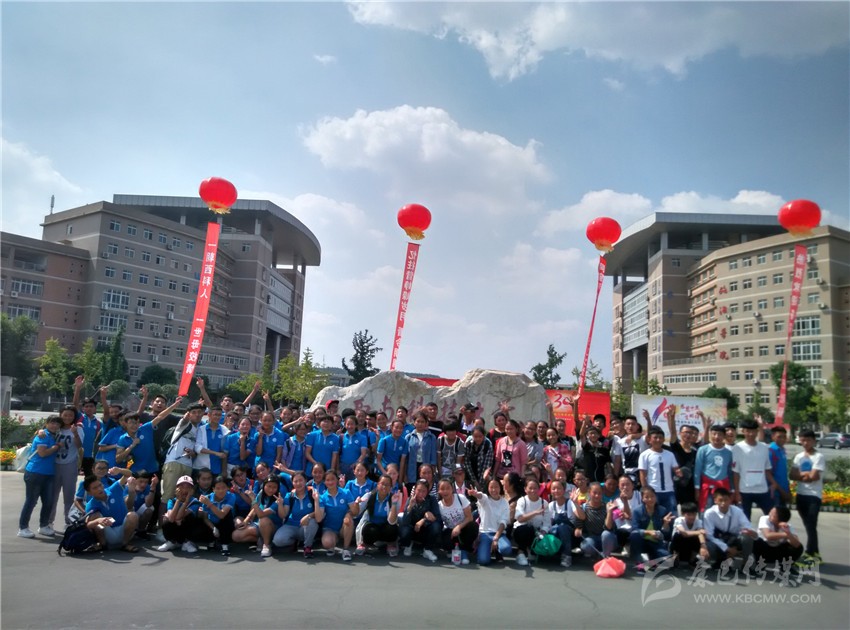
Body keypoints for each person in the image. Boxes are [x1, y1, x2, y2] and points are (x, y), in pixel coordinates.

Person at [18, 415, 63, 538]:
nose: (55, 425)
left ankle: (43, 526)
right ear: (46, 424)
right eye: (52, 423)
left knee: (48, 501)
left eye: (57, 424)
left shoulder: (53, 435)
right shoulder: (42, 436)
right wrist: (57, 447)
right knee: (31, 501)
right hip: (35, 472)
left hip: (49, 474)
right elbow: (42, 453)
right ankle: (23, 528)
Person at [83, 469, 140, 552]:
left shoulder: (113, 489)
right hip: (108, 533)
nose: (99, 489)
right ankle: (103, 545)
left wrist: (119, 470)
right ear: (89, 493)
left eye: (100, 485)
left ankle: (125, 544)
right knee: (96, 517)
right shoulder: (90, 505)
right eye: (95, 488)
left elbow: (129, 474)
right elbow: (87, 525)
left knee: (133, 515)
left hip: (123, 530)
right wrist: (98, 521)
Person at [790, 429, 825, 564]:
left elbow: (814, 477)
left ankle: (810, 553)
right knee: (808, 525)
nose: (805, 443)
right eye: (802, 440)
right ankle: (816, 555)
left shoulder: (818, 456)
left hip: (813, 496)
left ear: (814, 441)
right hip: (801, 494)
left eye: (808, 440)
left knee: (811, 525)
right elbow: (792, 475)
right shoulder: (799, 456)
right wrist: (806, 475)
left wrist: (802, 475)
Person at [732, 419, 775, 520]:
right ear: (743, 431)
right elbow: (736, 472)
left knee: (772, 517)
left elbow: (767, 469)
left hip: (762, 489)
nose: (750, 434)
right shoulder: (738, 448)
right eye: (748, 431)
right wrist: (737, 492)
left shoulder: (764, 447)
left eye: (753, 431)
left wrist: (773, 483)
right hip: (744, 490)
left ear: (757, 431)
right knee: (745, 520)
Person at [49, 405, 84, 530]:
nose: (68, 417)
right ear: (60, 415)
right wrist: (40, 432)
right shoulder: (56, 428)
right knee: (52, 495)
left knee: (69, 496)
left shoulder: (78, 429)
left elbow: (79, 445)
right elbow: (43, 435)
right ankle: (49, 522)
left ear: (74, 417)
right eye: (65, 415)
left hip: (69, 465)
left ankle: (68, 521)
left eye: (71, 415)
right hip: (54, 465)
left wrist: (75, 433)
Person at [703, 487, 756, 568]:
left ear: (730, 500)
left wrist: (751, 533)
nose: (723, 503)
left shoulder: (737, 511)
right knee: (709, 546)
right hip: (719, 540)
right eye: (720, 500)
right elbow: (709, 535)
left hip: (735, 539)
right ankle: (722, 560)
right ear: (715, 500)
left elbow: (747, 527)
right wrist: (726, 548)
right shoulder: (709, 513)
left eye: (726, 500)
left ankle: (745, 564)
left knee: (747, 537)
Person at [269, 472, 319, 558]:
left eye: (301, 480)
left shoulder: (313, 493)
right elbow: (283, 515)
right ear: (292, 483)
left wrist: (308, 516)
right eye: (295, 481)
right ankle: (294, 542)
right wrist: (280, 504)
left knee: (312, 522)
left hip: (305, 526)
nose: (298, 483)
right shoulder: (289, 496)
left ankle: (307, 547)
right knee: (278, 541)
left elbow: (320, 512)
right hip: (291, 525)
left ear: (305, 481)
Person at [629, 487, 674, 575]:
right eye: (647, 497)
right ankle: (640, 562)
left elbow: (666, 535)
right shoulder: (637, 511)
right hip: (642, 542)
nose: (650, 499)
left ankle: (651, 561)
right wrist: (648, 532)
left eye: (652, 496)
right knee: (635, 534)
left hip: (656, 542)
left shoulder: (662, 510)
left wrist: (665, 524)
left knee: (668, 561)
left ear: (656, 497)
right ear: (642, 499)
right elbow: (635, 529)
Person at [315, 469, 358, 561]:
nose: (330, 482)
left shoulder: (346, 492)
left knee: (349, 521)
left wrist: (349, 513)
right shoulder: (322, 498)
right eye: (327, 480)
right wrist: (316, 501)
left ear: (337, 480)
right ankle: (333, 543)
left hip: (344, 527)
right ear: (324, 482)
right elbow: (318, 519)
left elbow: (354, 512)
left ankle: (345, 549)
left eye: (333, 479)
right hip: (330, 528)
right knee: (327, 543)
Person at [638, 426, 681, 516]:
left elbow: (676, 468)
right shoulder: (644, 455)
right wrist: (645, 489)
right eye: (655, 437)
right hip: (653, 491)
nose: (658, 440)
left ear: (663, 439)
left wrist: (679, 472)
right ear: (649, 439)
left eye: (660, 438)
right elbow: (642, 474)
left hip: (669, 491)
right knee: (654, 516)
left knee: (671, 515)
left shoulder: (670, 454)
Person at [356, 475, 402, 556]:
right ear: (378, 484)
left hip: (386, 526)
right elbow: (356, 512)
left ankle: (390, 544)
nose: (384, 487)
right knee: (369, 530)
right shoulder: (369, 496)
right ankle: (364, 544)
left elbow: (392, 521)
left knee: (392, 528)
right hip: (372, 525)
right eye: (382, 484)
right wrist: (357, 503)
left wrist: (394, 504)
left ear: (391, 487)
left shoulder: (394, 498)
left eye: (387, 485)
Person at [156, 475, 204, 554]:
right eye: (182, 487)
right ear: (177, 489)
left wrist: (186, 501)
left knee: (189, 517)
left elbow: (179, 517)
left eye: (188, 487)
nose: (184, 490)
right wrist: (178, 500)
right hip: (175, 525)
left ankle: (186, 542)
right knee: (166, 520)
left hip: (187, 529)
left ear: (192, 490)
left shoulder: (195, 502)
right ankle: (171, 541)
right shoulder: (172, 500)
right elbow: (171, 518)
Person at [694, 424, 734, 512]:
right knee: (706, 511)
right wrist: (697, 488)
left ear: (724, 436)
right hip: (707, 486)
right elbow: (697, 470)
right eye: (714, 434)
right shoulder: (703, 450)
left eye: (719, 434)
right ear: (710, 435)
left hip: (723, 487)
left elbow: (729, 471)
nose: (716, 437)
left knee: (723, 511)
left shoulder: (728, 453)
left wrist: (732, 489)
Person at [437, 477, 478, 565]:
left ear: (452, 489)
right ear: (439, 491)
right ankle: (453, 549)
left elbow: (470, 517)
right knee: (444, 539)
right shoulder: (439, 506)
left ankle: (464, 551)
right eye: (442, 489)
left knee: (473, 526)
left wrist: (459, 527)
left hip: (464, 528)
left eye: (448, 488)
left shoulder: (460, 498)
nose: (445, 491)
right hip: (451, 531)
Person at [399, 479, 442, 562]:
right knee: (403, 528)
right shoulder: (410, 499)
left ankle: (427, 549)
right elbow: (405, 521)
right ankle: (408, 544)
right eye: (419, 490)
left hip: (425, 529)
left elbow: (437, 517)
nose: (421, 494)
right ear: (415, 490)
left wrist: (423, 520)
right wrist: (410, 507)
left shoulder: (432, 499)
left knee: (436, 526)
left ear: (428, 491)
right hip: (412, 529)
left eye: (424, 491)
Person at [512, 478, 552, 567]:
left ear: (539, 489)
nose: (533, 490)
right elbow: (520, 518)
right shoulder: (522, 500)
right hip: (521, 531)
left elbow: (547, 522)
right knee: (527, 529)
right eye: (530, 488)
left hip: (537, 532)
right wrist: (535, 513)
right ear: (525, 489)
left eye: (535, 488)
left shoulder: (544, 503)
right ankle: (520, 553)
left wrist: (543, 532)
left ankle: (531, 551)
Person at [666, 406, 700, 507]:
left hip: (690, 486)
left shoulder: (695, 451)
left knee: (690, 511)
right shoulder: (676, 447)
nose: (688, 435)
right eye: (685, 432)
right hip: (676, 485)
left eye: (690, 433)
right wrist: (672, 417)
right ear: (680, 434)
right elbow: (673, 433)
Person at [572, 482, 617, 559]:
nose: (597, 495)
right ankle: (598, 554)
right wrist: (578, 530)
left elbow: (608, 527)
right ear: (589, 492)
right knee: (586, 546)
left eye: (599, 493)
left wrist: (609, 512)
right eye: (594, 493)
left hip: (607, 539)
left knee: (606, 534)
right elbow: (579, 524)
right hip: (591, 538)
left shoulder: (607, 506)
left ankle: (605, 556)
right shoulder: (584, 507)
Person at [198, 475, 236, 556]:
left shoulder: (231, 496)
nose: (221, 491)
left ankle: (225, 545)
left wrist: (209, 504)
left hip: (225, 523)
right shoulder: (207, 498)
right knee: (201, 522)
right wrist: (213, 528)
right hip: (212, 523)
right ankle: (211, 542)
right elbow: (205, 518)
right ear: (213, 489)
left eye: (223, 488)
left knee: (227, 515)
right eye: (218, 488)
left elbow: (222, 515)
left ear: (227, 488)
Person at [670, 502, 709, 568]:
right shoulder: (678, 520)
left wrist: (703, 546)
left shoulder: (698, 521)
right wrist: (699, 532)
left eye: (694, 514)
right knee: (678, 535)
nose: (692, 517)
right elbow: (684, 533)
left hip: (689, 548)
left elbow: (701, 534)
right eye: (688, 514)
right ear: (683, 514)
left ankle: (692, 560)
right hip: (679, 547)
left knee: (699, 537)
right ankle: (675, 558)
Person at [547, 479, 576, 568]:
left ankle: (567, 556)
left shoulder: (570, 502)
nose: (556, 491)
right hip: (557, 534)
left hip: (571, 536)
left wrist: (576, 503)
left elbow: (581, 517)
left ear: (564, 490)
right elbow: (549, 523)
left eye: (559, 488)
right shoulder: (551, 505)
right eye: (553, 489)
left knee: (562, 527)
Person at [404, 412, 437, 487]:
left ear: (426, 423)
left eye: (422, 422)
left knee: (425, 487)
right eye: (418, 421)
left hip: (426, 467)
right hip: (412, 468)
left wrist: (433, 471)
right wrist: (404, 474)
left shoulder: (431, 437)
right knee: (412, 488)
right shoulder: (409, 437)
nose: (420, 424)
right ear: (414, 422)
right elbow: (405, 458)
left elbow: (433, 457)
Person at [463, 426, 494, 491]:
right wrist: (474, 481)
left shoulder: (488, 444)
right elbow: (467, 462)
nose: (478, 439)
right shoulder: (468, 443)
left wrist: (480, 484)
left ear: (484, 435)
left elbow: (487, 465)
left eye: (480, 436)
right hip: (470, 473)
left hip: (483, 474)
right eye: (475, 436)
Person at [768, 425, 792, 507]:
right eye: (779, 437)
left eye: (784, 437)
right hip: (775, 492)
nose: (782, 439)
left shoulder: (782, 450)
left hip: (783, 490)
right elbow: (769, 474)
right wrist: (782, 492)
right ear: (773, 437)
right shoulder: (771, 451)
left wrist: (788, 490)